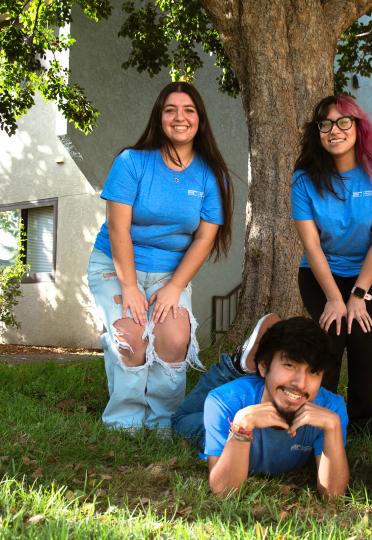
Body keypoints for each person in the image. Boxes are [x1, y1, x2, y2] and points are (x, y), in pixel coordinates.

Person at [87, 82, 233, 431]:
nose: (179, 117)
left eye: (188, 110)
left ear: (199, 119)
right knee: (131, 336)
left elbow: (204, 238)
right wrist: (131, 285)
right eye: (170, 110)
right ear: (159, 117)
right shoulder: (132, 162)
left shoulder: (211, 175)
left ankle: (163, 422)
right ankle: (124, 423)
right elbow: (119, 229)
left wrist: (175, 287)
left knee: (173, 337)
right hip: (117, 265)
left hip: (171, 273)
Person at [291, 95, 372, 433]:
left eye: (344, 122)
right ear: (318, 133)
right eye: (325, 124)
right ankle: (319, 414)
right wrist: (335, 298)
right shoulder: (304, 179)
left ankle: (367, 421)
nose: (334, 130)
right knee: (333, 334)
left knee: (360, 331)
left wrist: (356, 295)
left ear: (359, 128)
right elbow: (311, 244)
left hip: (369, 272)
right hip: (319, 273)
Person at [171, 315, 350, 497]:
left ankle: (244, 367)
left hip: (255, 388)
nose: (301, 383)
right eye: (289, 365)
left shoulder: (331, 410)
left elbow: (333, 494)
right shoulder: (225, 402)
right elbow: (224, 492)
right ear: (263, 367)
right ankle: (233, 366)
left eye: (313, 372)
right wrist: (241, 427)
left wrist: (333, 427)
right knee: (180, 421)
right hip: (230, 403)